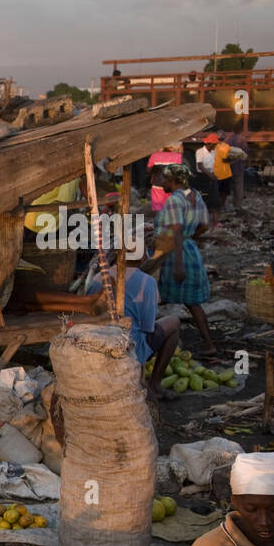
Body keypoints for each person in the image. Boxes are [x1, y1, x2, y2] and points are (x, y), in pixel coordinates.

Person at [88, 253, 180, 400]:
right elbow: (148, 327)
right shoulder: (147, 282)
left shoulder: (99, 277)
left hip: (97, 343)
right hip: (129, 348)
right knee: (173, 322)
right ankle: (154, 384)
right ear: (143, 257)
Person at [153, 163, 216, 358]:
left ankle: (155, 340)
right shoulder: (195, 196)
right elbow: (205, 225)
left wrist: (178, 262)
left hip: (175, 254)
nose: (161, 182)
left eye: (164, 179)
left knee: (155, 297)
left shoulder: (174, 200)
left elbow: (177, 231)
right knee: (192, 302)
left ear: (172, 180)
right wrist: (190, 238)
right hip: (189, 250)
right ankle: (207, 343)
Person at [196, 133, 247, 215]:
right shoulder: (225, 146)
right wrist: (229, 161)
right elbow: (239, 155)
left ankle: (214, 209)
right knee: (223, 192)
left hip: (216, 174)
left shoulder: (212, 149)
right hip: (224, 173)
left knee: (215, 193)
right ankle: (221, 207)